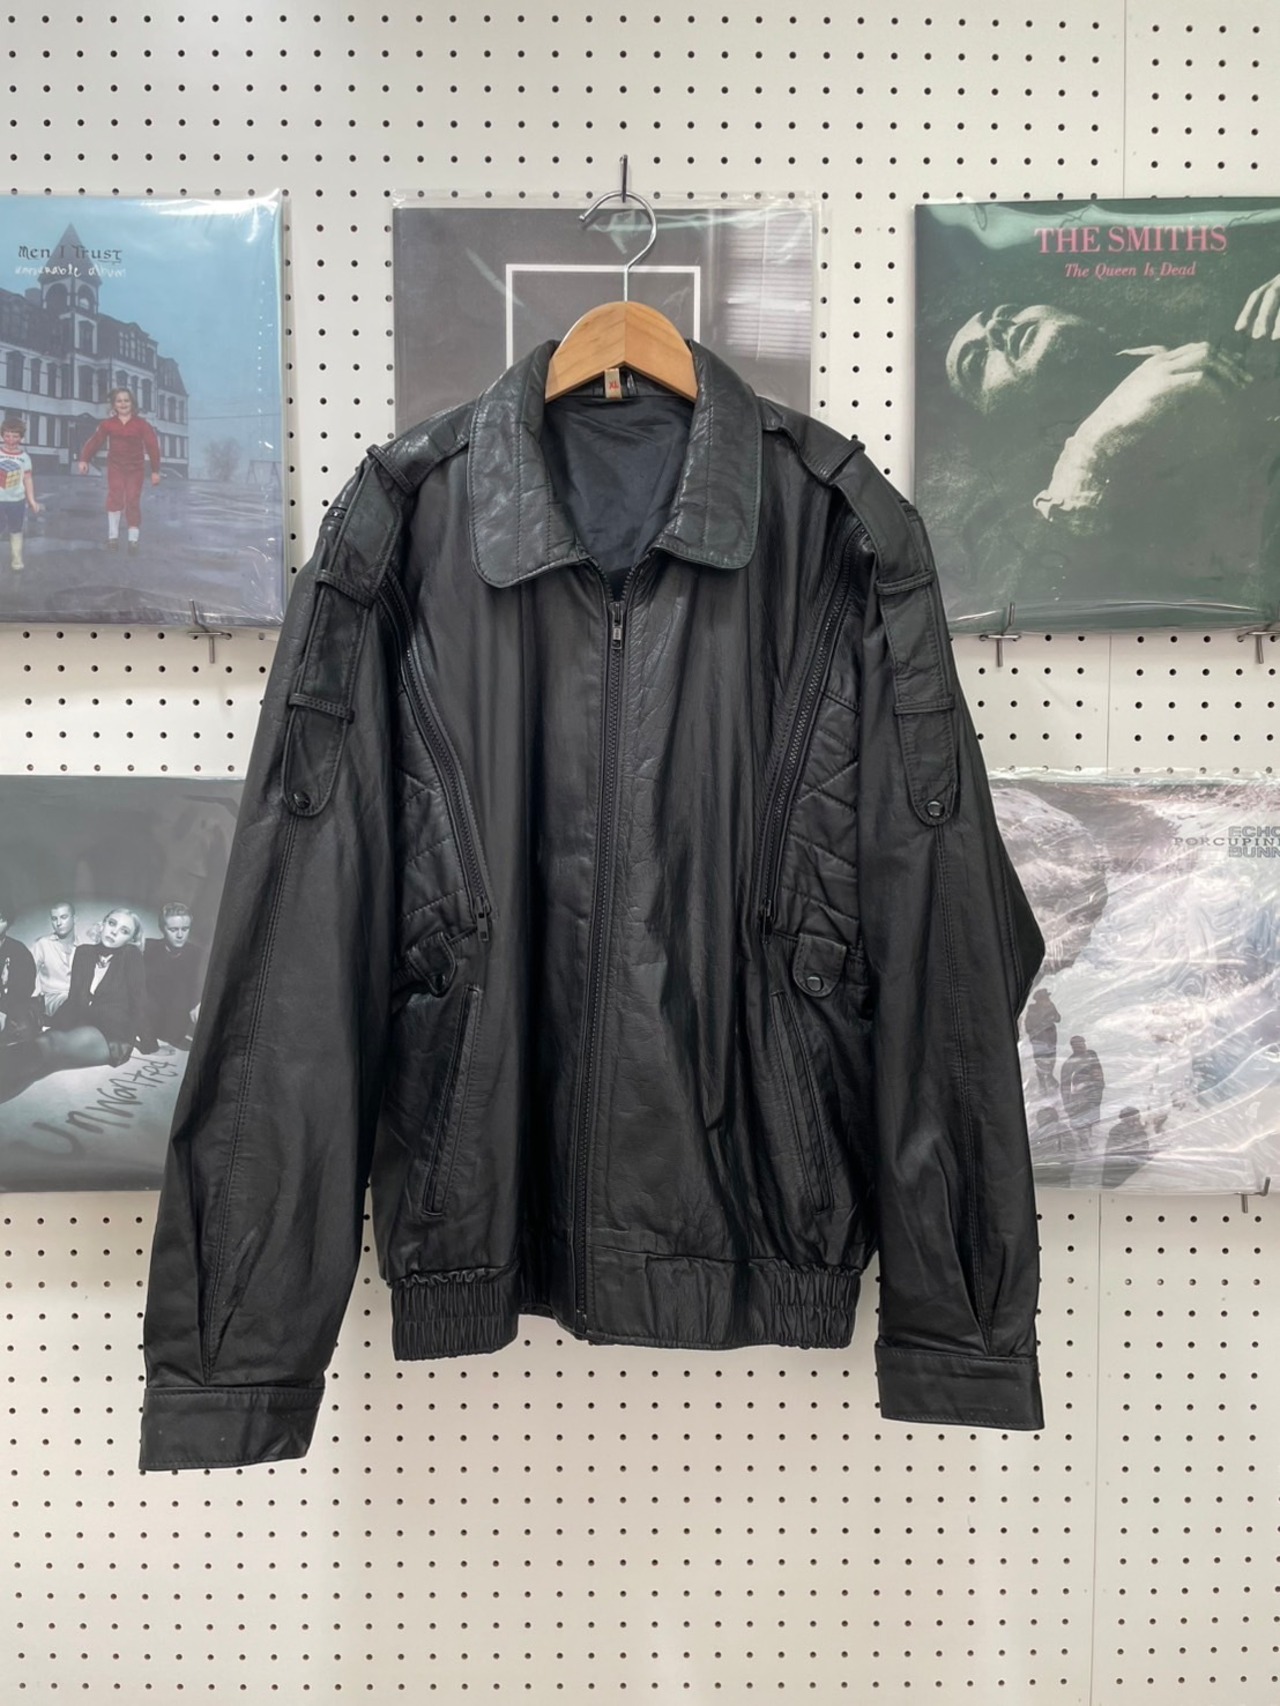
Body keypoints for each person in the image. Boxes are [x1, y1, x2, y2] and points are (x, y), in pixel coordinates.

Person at [76, 387, 162, 552]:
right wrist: (84, 459)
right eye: (119, 401)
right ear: (114, 405)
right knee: (115, 497)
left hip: (135, 469)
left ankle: (133, 539)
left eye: (126, 401)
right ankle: (112, 537)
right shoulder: (108, 424)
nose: (123, 404)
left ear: (132, 403)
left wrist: (155, 471)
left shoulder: (142, 425)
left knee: (132, 500)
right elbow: (95, 441)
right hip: (116, 467)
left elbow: (152, 446)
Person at [143, 903, 204, 1047]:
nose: (180, 935)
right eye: (173, 929)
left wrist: (199, 1002)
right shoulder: (148, 948)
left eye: (185, 929)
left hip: (176, 1025)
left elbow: (201, 986)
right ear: (162, 928)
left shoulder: (198, 955)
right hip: (146, 1020)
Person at [0, 415, 43, 573]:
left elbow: (28, 479)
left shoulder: (24, 458)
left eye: (15, 436)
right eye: (7, 436)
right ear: (2, 435)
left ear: (21, 438)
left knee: (16, 530)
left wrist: (32, 500)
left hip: (17, 501)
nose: (11, 440)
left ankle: (17, 559)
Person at [0, 896, 42, 1044]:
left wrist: (3, 1011)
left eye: (0, 919)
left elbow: (25, 988)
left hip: (10, 1008)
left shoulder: (19, 951)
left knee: (23, 1028)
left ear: (8, 922)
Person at [33, 899, 81, 1017]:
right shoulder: (43, 944)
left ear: (74, 919)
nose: (59, 923)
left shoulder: (83, 947)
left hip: (78, 998)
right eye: (54, 919)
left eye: (63, 917)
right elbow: (27, 975)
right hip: (52, 999)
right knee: (72, 1005)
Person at [1059, 1033, 1106, 1147]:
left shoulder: (1091, 1054)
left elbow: (1098, 1070)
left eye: (1082, 1043)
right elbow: (1065, 1085)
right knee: (1080, 1119)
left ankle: (1089, 1139)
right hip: (1079, 1096)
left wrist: (1100, 1085)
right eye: (1077, 1045)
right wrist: (1067, 1103)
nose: (1081, 1046)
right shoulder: (1069, 1063)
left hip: (1094, 1092)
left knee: (1092, 1119)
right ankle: (1083, 1142)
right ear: (1072, 1047)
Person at [1024, 986, 1061, 1093]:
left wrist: (1052, 1013)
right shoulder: (1032, 1010)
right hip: (1039, 1040)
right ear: (1039, 1000)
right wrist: (1043, 1019)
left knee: (1052, 1058)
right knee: (1040, 1060)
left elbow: (1058, 1018)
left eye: (1047, 998)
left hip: (1051, 1038)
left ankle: (1049, 1076)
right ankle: (1042, 1083)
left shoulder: (1051, 1006)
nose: (1047, 1000)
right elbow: (1029, 1027)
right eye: (1045, 998)